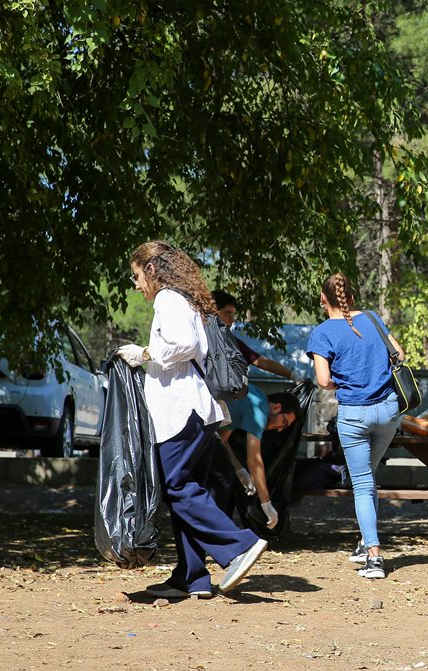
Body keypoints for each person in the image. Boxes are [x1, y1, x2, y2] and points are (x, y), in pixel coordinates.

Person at [117, 240, 268, 598]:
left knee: (177, 487)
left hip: (181, 411)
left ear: (152, 270)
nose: (136, 285)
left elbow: (183, 344)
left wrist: (144, 353)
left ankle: (239, 547)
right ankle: (192, 576)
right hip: (198, 411)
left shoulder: (169, 299)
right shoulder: (185, 300)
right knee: (187, 488)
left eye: (137, 276)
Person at [306, 273, 404, 580]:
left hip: (354, 416)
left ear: (324, 299)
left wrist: (348, 379)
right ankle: (364, 541)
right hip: (388, 412)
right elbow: (399, 354)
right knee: (368, 477)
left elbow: (323, 381)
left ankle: (374, 557)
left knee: (361, 484)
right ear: (350, 296)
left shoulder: (322, 333)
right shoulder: (373, 319)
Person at [214, 387, 303, 529]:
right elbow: (254, 460)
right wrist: (266, 504)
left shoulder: (255, 397)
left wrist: (239, 470)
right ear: (276, 407)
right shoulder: (260, 410)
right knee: (219, 484)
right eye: (284, 422)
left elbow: (221, 440)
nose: (280, 429)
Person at [211, 290, 304, 383]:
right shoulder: (201, 337)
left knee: (259, 397)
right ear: (213, 312)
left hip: (222, 393)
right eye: (227, 314)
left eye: (233, 315)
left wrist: (293, 375)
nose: (232, 320)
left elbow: (260, 361)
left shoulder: (230, 341)